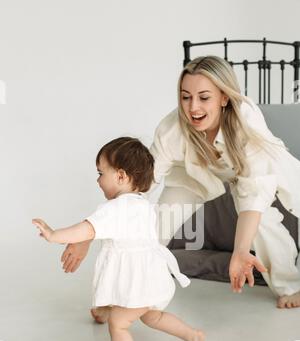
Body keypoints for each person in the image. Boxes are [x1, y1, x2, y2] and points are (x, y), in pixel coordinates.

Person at [61, 56, 300, 309]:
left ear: (224, 98)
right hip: (196, 175)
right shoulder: (171, 129)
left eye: (204, 97)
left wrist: (241, 251)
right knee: (154, 224)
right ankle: (121, 299)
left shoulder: (246, 118)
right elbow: (138, 183)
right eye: (186, 97)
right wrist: (87, 235)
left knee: (262, 220)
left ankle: (291, 286)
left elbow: (254, 191)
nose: (193, 107)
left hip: (263, 169)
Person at [32, 137, 205, 341]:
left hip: (137, 278)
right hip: (150, 274)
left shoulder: (114, 209)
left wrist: (53, 234)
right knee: (152, 316)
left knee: (119, 323)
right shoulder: (142, 204)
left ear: (121, 176)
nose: (98, 180)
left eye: (101, 173)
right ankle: (193, 335)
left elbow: (86, 230)